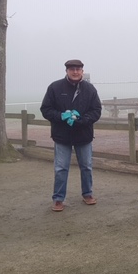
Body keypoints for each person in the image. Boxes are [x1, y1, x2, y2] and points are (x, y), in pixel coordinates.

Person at [40, 59, 102, 212]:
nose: (75, 72)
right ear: (66, 71)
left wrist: (81, 120)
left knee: (86, 166)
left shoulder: (90, 89)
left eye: (78, 69)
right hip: (62, 136)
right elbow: (46, 109)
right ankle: (58, 199)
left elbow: (96, 111)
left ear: (82, 70)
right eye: (72, 69)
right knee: (61, 168)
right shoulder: (54, 87)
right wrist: (61, 116)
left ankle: (87, 194)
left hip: (84, 135)